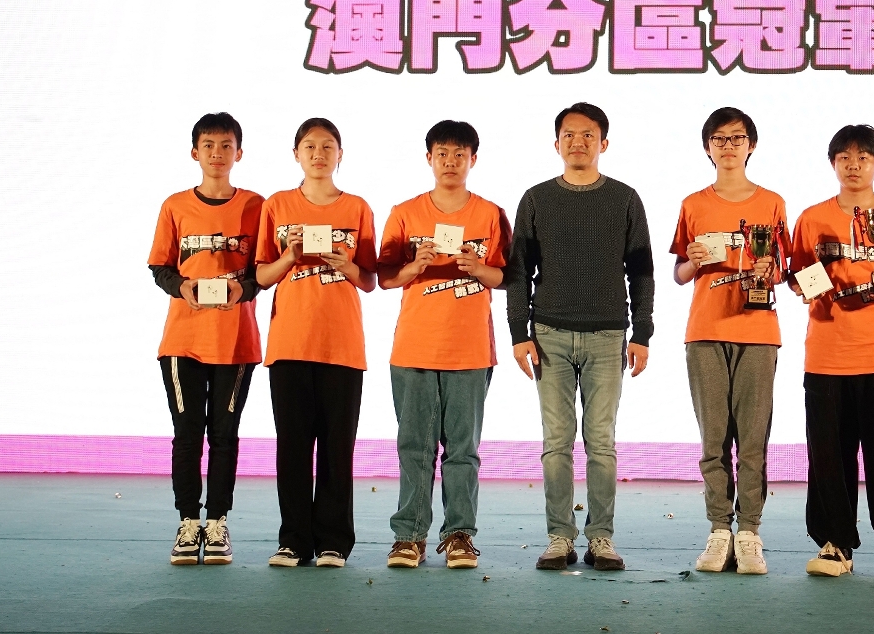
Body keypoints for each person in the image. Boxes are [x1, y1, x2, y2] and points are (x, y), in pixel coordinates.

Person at [505, 102, 654, 572]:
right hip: (548, 333)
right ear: (556, 144)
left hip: (609, 335)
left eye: (588, 135)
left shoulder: (625, 199)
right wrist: (518, 333)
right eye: (569, 134)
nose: (578, 142)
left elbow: (642, 271)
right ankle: (559, 537)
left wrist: (643, 332)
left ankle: (601, 537)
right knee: (556, 441)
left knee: (601, 442)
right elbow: (518, 273)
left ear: (603, 143)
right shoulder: (536, 199)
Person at [788, 124, 874, 580]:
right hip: (827, 353)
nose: (854, 165)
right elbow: (797, 275)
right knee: (829, 453)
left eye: (863, 158)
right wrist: (808, 288)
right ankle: (835, 544)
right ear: (833, 163)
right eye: (844, 157)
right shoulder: (812, 218)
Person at [377, 121, 511, 570]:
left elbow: (507, 276)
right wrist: (414, 266)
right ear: (429, 158)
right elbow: (385, 277)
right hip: (414, 348)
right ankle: (409, 537)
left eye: (459, 154)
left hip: (470, 351)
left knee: (462, 450)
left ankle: (459, 535)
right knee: (414, 447)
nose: (450, 162)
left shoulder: (490, 214)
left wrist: (477, 267)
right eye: (442, 154)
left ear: (473, 159)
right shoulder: (404, 213)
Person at [670, 107, 789, 575]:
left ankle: (750, 532)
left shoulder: (772, 202)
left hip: (758, 332)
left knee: (753, 440)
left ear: (751, 145)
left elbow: (783, 270)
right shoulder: (693, 204)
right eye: (719, 139)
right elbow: (680, 273)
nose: (728, 146)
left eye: (737, 138)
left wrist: (767, 269)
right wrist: (694, 260)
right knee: (713, 440)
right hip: (705, 332)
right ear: (707, 148)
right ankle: (719, 530)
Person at [256, 118, 377, 568]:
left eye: (328, 147)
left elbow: (370, 280)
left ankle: (333, 542)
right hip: (289, 343)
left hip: (341, 345)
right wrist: (290, 255)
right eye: (310, 146)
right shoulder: (277, 205)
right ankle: (293, 540)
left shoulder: (357, 208)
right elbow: (261, 276)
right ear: (296, 154)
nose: (319, 154)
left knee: (336, 449)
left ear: (340, 154)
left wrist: (346, 265)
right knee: (292, 447)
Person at [147, 112, 264, 565]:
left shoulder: (256, 206)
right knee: (187, 434)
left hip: (236, 342)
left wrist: (242, 289)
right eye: (209, 145)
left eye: (226, 145)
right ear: (195, 152)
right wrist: (183, 287)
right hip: (184, 341)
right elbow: (160, 267)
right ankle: (187, 522)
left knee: (225, 435)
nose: (218, 153)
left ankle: (217, 522)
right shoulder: (175, 205)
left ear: (240, 153)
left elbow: (263, 271)